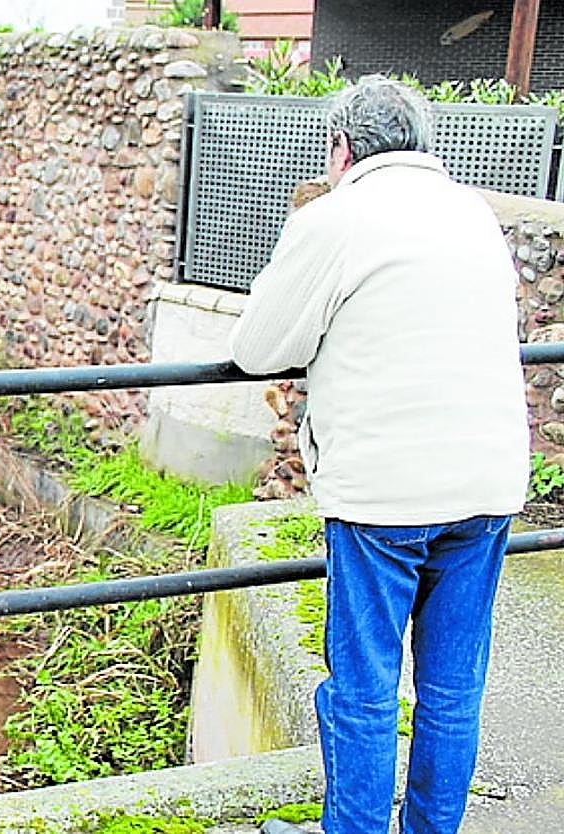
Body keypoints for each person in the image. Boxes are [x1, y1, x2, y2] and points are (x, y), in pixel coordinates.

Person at [230, 76, 529, 834]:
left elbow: (259, 347)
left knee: (365, 690)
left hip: (384, 493)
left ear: (342, 149)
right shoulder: (475, 213)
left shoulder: (339, 216)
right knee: (453, 689)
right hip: (488, 485)